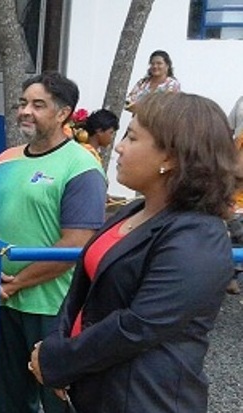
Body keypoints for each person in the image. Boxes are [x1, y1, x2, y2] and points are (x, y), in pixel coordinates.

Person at [31, 92, 238, 413]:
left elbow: (137, 326)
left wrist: (59, 361)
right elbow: (82, 291)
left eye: (132, 137)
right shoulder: (135, 210)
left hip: (143, 399)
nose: (120, 147)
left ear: (170, 157)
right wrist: (58, 345)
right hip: (93, 391)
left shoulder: (198, 236)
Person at [0, 71, 106, 413]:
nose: (25, 111)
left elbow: (75, 244)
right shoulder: (4, 160)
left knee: (56, 400)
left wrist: (15, 283)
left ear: (63, 113)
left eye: (38, 105)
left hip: (53, 308)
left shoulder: (81, 166)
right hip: (3, 303)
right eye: (23, 103)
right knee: (5, 399)